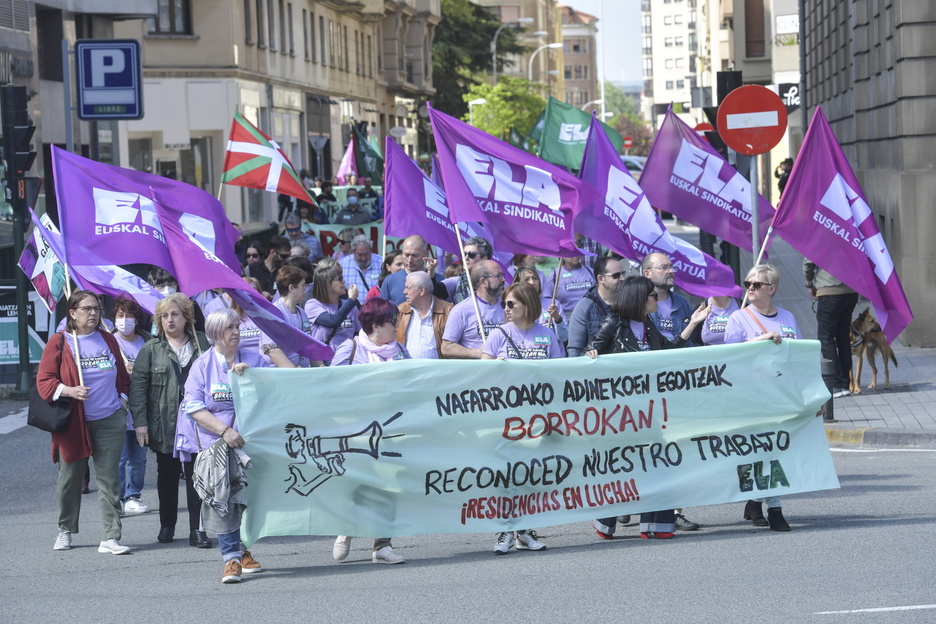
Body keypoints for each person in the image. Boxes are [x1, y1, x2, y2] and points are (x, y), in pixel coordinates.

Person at [586, 277, 710, 540]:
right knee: (620, 467)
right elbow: (590, 355)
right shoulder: (613, 323)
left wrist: (694, 324)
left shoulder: (648, 326)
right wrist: (591, 355)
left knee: (657, 463)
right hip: (619, 414)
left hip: (649, 412)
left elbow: (668, 352)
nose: (657, 299)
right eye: (653, 295)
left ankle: (657, 525)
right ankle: (605, 524)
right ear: (639, 299)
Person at [38, 290, 133, 554]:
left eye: (96, 309)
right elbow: (44, 382)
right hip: (73, 423)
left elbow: (123, 376)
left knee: (109, 479)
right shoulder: (59, 342)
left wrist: (122, 402)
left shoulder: (107, 339)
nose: (93, 313)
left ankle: (111, 536)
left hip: (109, 418)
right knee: (69, 479)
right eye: (87, 309)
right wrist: (69, 390)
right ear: (72, 313)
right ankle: (65, 530)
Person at [176, 309, 267, 583]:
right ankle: (231, 559)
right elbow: (193, 407)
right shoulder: (202, 365)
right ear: (216, 334)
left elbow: (275, 390)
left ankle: (241, 548)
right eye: (229, 328)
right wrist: (225, 431)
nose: (237, 332)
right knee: (224, 501)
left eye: (237, 326)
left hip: (252, 444)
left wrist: (250, 380)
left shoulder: (253, 359)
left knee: (250, 501)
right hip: (216, 446)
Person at [480, 282, 561, 554]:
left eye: (511, 304)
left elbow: (559, 372)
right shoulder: (499, 334)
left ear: (527, 305)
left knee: (530, 476)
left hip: (538, 418)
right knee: (506, 475)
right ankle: (505, 530)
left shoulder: (547, 335)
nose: (506, 308)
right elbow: (482, 373)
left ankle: (524, 531)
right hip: (506, 419)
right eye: (504, 304)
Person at [330, 298, 409, 565]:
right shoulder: (350, 349)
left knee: (389, 485)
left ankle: (382, 544)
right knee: (357, 483)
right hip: (356, 431)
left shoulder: (400, 351)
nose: (396, 327)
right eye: (392, 322)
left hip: (391, 430)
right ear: (376, 327)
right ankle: (347, 528)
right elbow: (329, 386)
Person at [129, 293, 211, 547]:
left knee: (198, 478)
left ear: (187, 317)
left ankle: (198, 530)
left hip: (198, 427)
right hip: (164, 426)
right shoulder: (151, 350)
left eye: (174, 314)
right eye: (164, 316)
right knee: (167, 476)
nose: (169, 320)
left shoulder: (204, 345)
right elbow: (138, 389)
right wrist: (140, 423)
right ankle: (167, 525)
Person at [723, 264, 801, 532]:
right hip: (751, 397)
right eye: (748, 284)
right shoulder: (739, 318)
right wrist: (761, 340)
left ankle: (755, 500)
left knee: (776, 452)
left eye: (757, 284)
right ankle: (775, 510)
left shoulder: (788, 317)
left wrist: (811, 396)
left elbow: (798, 358)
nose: (751, 289)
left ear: (772, 288)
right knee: (759, 451)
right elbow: (729, 357)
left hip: (781, 395)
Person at [641, 252, 702, 531]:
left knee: (675, 448)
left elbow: (691, 347)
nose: (671, 271)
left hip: (676, 387)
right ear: (647, 273)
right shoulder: (638, 305)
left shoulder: (682, 304)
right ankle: (640, 503)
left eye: (671, 266)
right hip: (645, 392)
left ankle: (673, 510)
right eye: (664, 267)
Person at [111, 295, 153, 516]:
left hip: (141, 410)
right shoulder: (108, 341)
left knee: (138, 458)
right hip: (117, 408)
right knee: (119, 458)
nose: (124, 320)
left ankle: (133, 496)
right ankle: (117, 499)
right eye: (120, 315)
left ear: (137, 320)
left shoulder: (147, 342)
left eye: (129, 316)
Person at [803, 259, 859, 398]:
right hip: (850, 291)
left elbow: (809, 261)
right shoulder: (851, 235)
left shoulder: (820, 236)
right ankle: (845, 384)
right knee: (843, 338)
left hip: (829, 291)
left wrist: (809, 283)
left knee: (826, 339)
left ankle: (835, 384)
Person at [441, 260, 506, 359]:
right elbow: (446, 348)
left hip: (504, 371)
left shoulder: (508, 308)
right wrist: (476, 353)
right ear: (483, 281)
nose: (503, 279)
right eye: (498, 276)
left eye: (502, 275)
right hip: (477, 371)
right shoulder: (461, 310)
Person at [567, 256, 626, 357]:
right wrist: (585, 357)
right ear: (601, 278)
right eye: (616, 275)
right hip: (596, 370)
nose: (622, 278)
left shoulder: (629, 303)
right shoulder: (584, 307)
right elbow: (574, 350)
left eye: (623, 274)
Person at [258, 265, 315, 367]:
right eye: (303, 285)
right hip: (283, 378)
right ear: (292, 288)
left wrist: (321, 368)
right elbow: (272, 350)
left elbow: (309, 347)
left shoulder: (302, 313)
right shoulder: (272, 313)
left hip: (304, 375)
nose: (306, 289)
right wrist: (294, 373)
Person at [304, 259, 362, 356]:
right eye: (339, 279)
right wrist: (351, 299)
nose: (343, 281)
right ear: (327, 283)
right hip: (324, 360)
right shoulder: (312, 305)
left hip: (347, 359)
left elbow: (359, 333)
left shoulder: (350, 306)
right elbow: (332, 321)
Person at [396, 271, 453, 359]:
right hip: (407, 370)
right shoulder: (400, 311)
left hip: (440, 371)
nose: (404, 292)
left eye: (408, 288)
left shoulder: (449, 311)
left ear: (422, 290)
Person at [380, 235, 447, 304]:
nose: (410, 260)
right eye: (406, 255)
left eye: (415, 255)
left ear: (426, 254)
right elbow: (383, 311)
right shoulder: (390, 281)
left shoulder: (440, 281)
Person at [514, 265, 568, 343]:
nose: (532, 282)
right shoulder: (515, 307)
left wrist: (557, 319)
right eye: (526, 279)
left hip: (554, 354)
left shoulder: (553, 304)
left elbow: (564, 337)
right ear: (518, 284)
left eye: (535, 278)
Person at [545, 256, 596, 320]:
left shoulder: (590, 271)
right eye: (571, 252)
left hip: (590, 314)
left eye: (577, 251)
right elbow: (548, 299)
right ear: (563, 257)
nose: (575, 255)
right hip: (566, 317)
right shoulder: (555, 275)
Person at [443, 236, 492, 303]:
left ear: (484, 259)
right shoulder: (457, 281)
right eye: (464, 254)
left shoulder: (496, 283)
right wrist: (431, 271)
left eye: (471, 254)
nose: (466, 257)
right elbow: (434, 289)